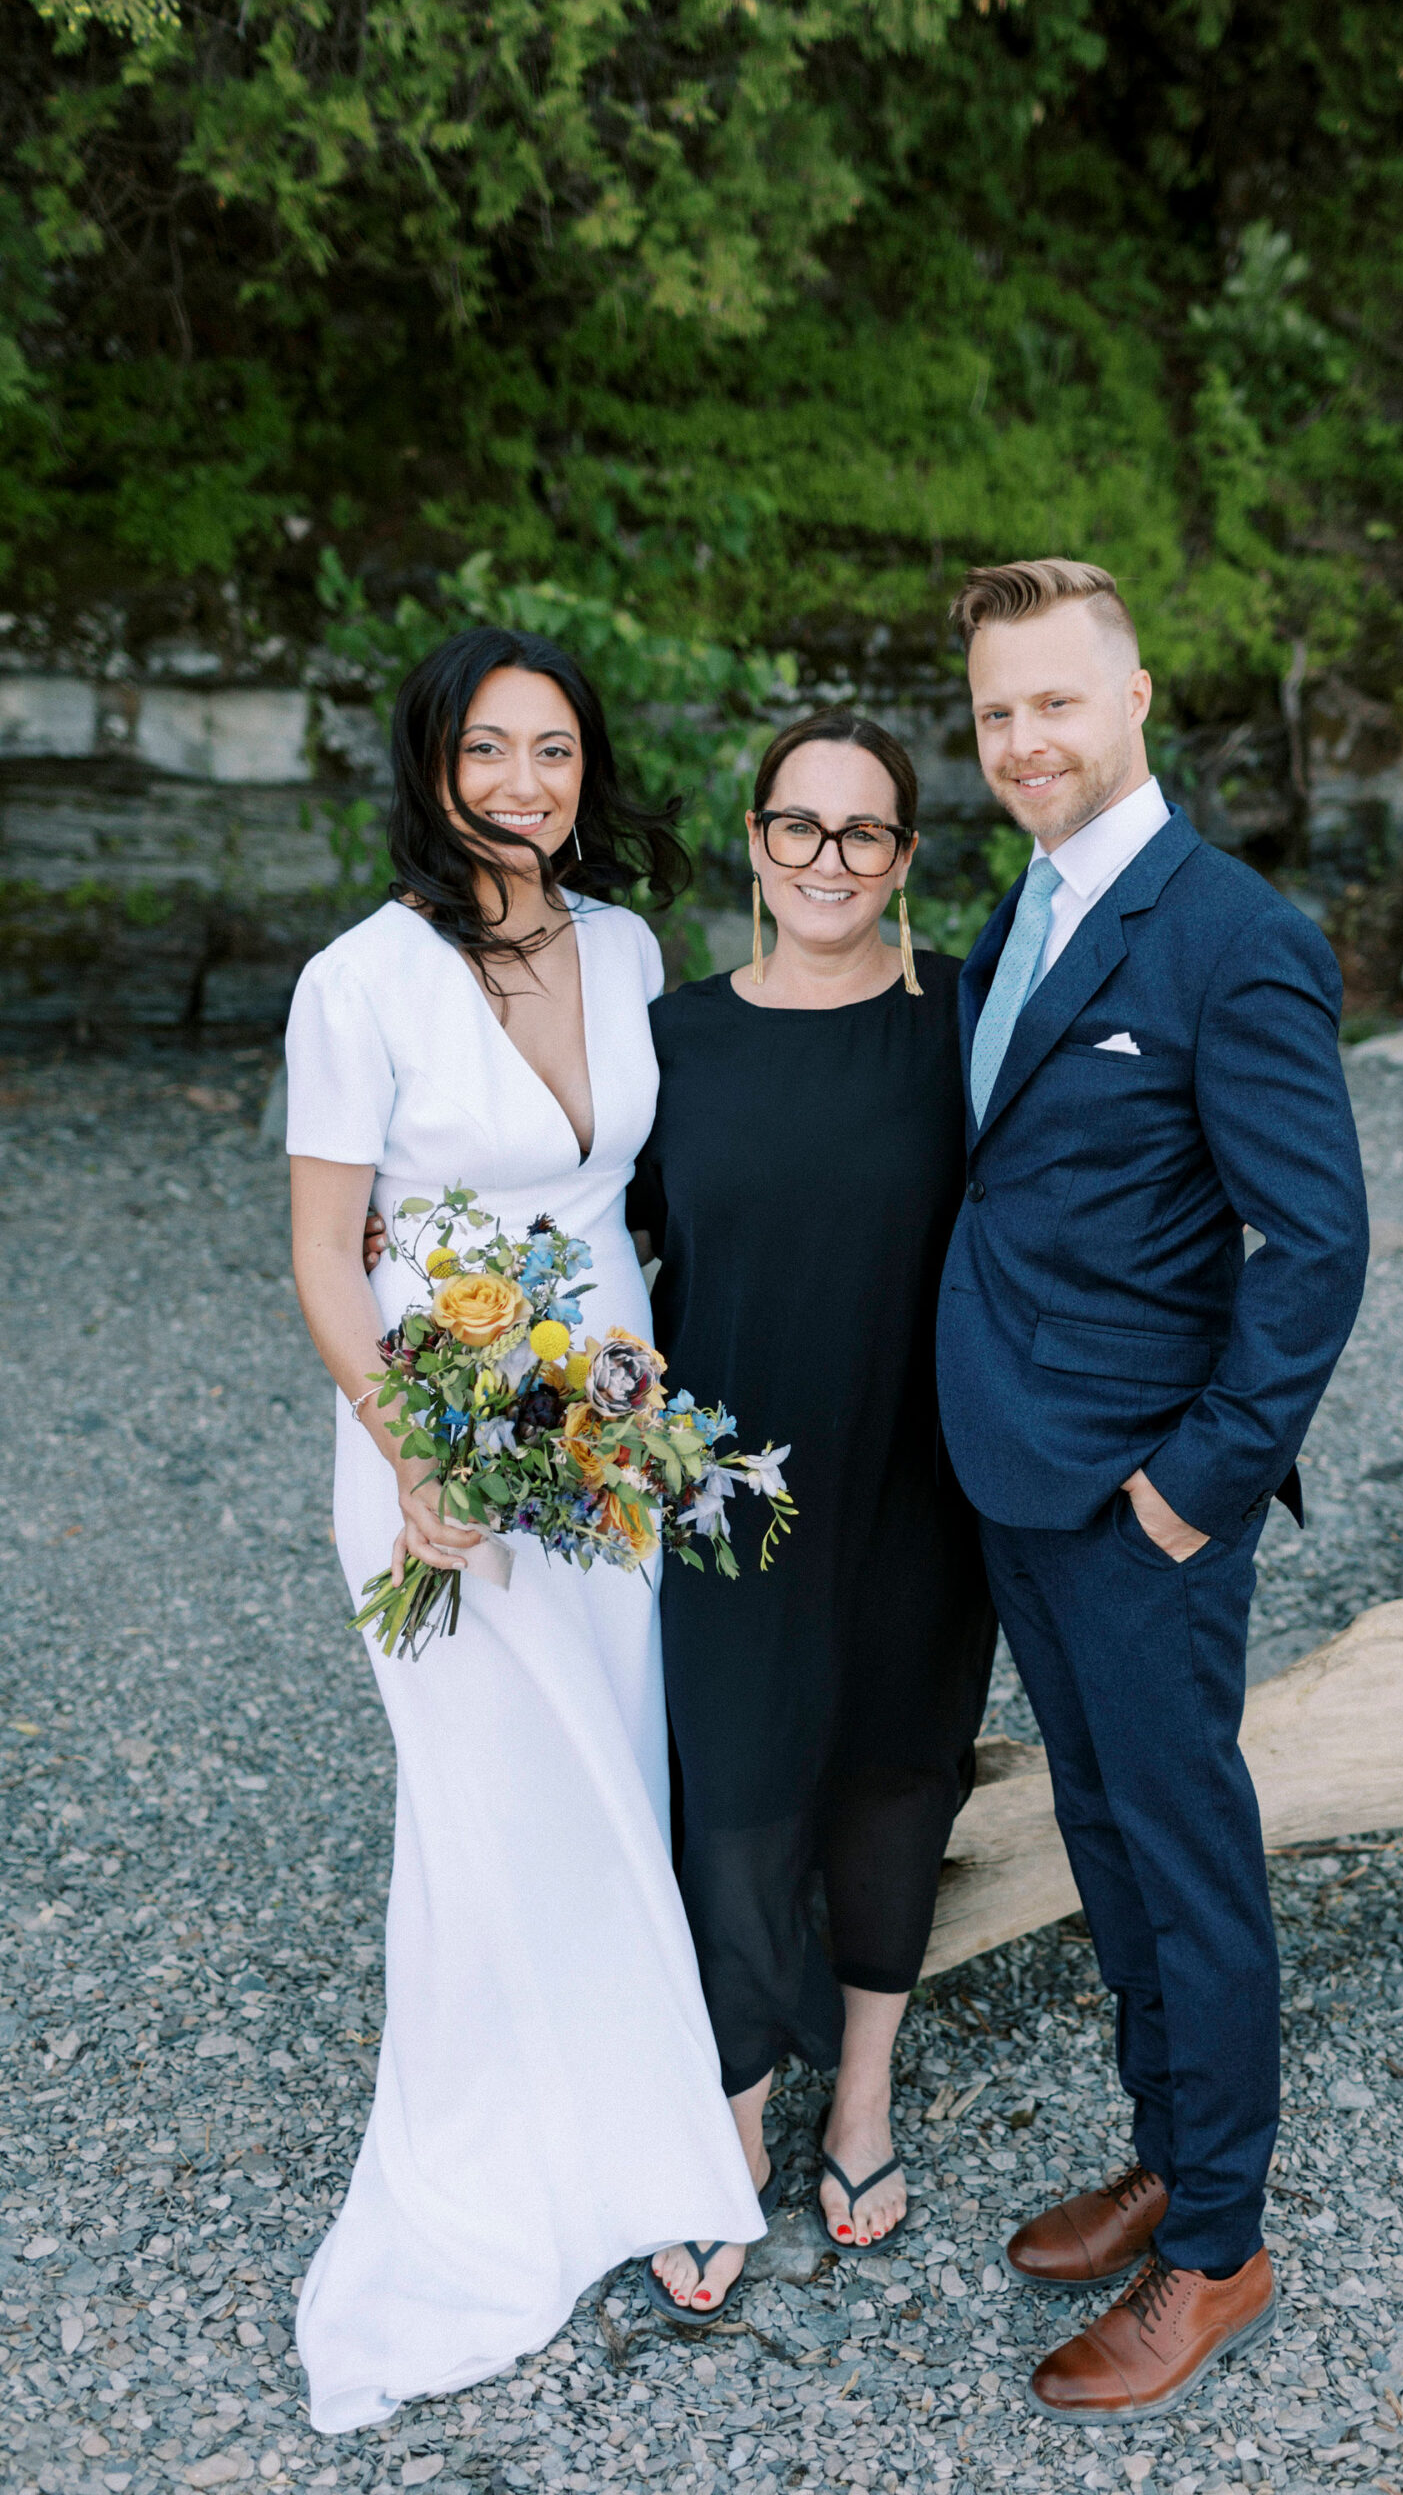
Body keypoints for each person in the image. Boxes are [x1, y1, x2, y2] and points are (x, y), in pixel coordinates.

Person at [285, 626, 762, 2434]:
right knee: (489, 1794)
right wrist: (411, 1446)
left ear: (585, 773)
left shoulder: (629, 946)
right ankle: (498, 2169)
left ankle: (647, 2142)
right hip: (438, 1429)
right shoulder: (361, 980)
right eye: (491, 752)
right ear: (432, 766)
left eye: (554, 753)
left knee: (622, 1769)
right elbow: (325, 1260)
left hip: (608, 1420)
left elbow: (651, 1185)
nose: (524, 786)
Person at [935, 560, 1368, 2421]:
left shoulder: (1231, 934)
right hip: (1010, 1480)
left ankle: (1223, 2251)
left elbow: (1317, 1247)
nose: (1023, 739)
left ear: (1130, 700)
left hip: (1137, 1504)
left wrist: (1193, 1491)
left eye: (1053, 701)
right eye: (994, 713)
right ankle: (1169, 2157)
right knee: (1101, 1838)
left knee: (1186, 1860)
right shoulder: (1018, 916)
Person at [627, 708, 997, 2321]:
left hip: (922, 1466)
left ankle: (860, 2096)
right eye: (800, 826)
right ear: (756, 843)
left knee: (895, 1773)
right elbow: (589, 1229)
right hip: (728, 1480)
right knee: (738, 1791)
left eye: (865, 834)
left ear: (905, 860)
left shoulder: (964, 1027)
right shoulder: (675, 1037)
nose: (829, 860)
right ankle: (733, 2121)